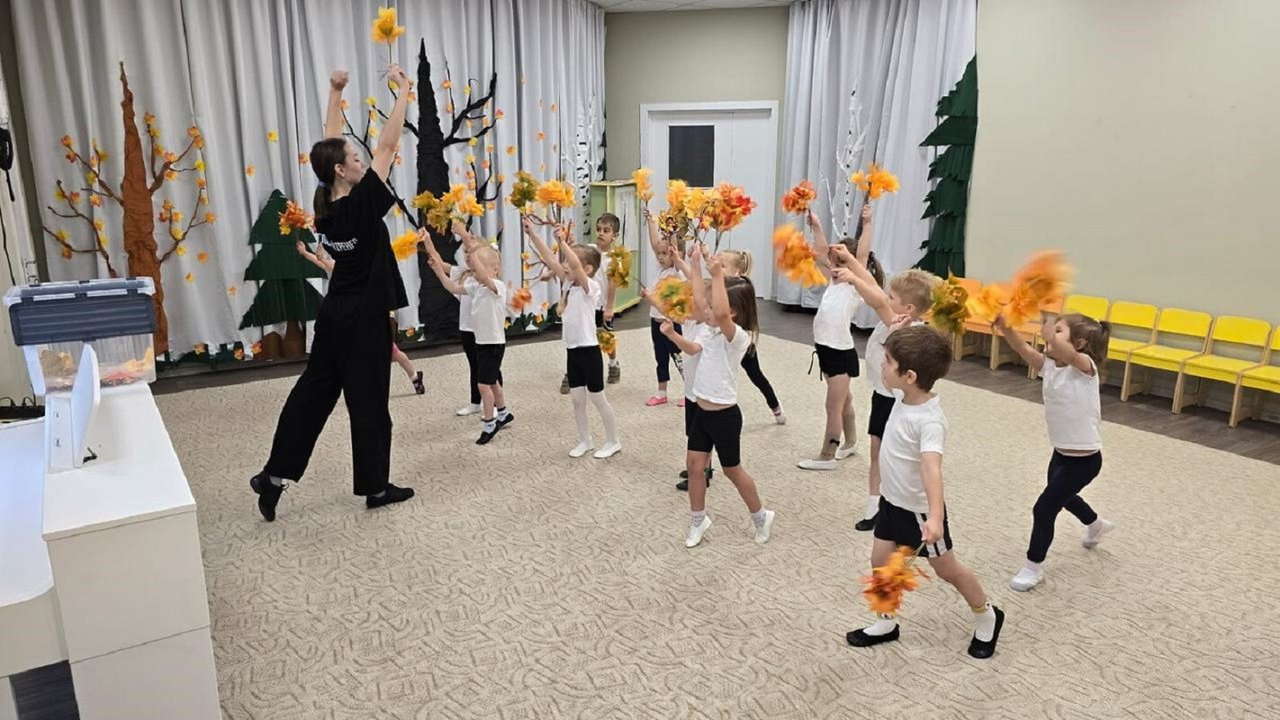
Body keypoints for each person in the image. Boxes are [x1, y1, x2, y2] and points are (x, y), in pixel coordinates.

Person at [249, 66, 415, 520]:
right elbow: (388, 146)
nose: (364, 162)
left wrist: (335, 92)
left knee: (313, 395)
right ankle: (376, 487)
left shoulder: (325, 204)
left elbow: (329, 144)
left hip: (335, 315)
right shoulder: (361, 204)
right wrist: (404, 91)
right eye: (356, 160)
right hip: (364, 320)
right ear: (342, 170)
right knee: (369, 403)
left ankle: (273, 476)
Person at [845, 324, 1004, 659]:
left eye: (888, 362)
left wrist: (935, 517)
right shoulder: (901, 395)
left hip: (919, 513)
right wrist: (894, 330)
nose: (882, 365)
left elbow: (932, 469)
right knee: (880, 561)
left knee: (947, 570)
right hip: (891, 502)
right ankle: (886, 621)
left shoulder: (930, 421)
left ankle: (987, 614)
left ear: (910, 376)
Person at [662, 247, 775, 548]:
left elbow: (721, 313)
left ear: (732, 313)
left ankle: (761, 516)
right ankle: (698, 520)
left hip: (725, 416)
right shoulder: (707, 331)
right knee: (695, 466)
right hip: (702, 411)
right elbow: (699, 317)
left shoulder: (738, 337)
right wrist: (696, 267)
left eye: (712, 308)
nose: (705, 311)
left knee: (731, 470)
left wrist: (715, 274)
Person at [994, 312, 1115, 591]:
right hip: (1060, 454)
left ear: (1080, 343)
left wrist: (1052, 335)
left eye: (1058, 331)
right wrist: (1006, 328)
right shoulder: (1048, 366)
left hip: (1085, 461)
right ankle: (1095, 524)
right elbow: (1021, 348)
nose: (1049, 335)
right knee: (1063, 496)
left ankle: (1033, 567)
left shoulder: (1085, 368)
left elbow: (1070, 356)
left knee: (1044, 508)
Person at [525, 217, 622, 459]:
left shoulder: (591, 288)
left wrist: (562, 242)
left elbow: (576, 267)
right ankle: (585, 440)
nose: (565, 266)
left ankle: (613, 441)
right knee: (578, 399)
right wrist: (533, 234)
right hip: (573, 350)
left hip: (589, 350)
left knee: (598, 398)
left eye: (570, 262)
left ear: (587, 269)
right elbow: (550, 259)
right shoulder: (568, 285)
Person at [295, 239, 424, 395]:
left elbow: (329, 264)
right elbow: (322, 263)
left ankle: (415, 377)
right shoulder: (343, 268)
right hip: (353, 319)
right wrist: (305, 253)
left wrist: (321, 258)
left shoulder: (361, 270)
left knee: (393, 352)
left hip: (370, 318)